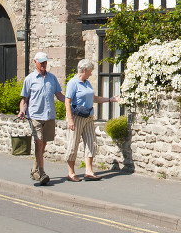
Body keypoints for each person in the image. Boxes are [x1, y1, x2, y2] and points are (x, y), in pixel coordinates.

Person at [64, 58, 121, 182]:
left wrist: (111, 99)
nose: (91, 73)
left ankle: (89, 172)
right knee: (73, 144)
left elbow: (94, 98)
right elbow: (67, 101)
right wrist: (70, 120)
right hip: (76, 117)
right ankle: (71, 173)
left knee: (91, 142)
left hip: (89, 116)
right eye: (90, 71)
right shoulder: (73, 83)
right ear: (84, 70)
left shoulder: (87, 83)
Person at [18, 51, 65, 186]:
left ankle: (34, 170)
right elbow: (24, 99)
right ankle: (41, 172)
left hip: (49, 116)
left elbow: (59, 96)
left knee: (43, 144)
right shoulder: (29, 79)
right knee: (39, 142)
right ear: (35, 62)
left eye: (45, 62)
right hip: (35, 116)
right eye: (41, 62)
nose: (44, 64)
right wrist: (22, 110)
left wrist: (71, 103)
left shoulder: (52, 78)